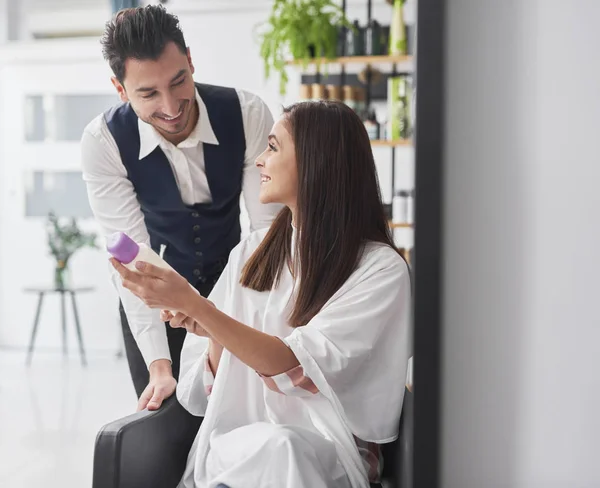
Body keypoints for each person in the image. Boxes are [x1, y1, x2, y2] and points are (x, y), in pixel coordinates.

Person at [111, 100, 411, 488]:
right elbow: (208, 390)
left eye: (273, 147)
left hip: (328, 458)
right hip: (235, 447)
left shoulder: (380, 270)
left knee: (281, 447)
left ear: (315, 161)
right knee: (271, 447)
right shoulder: (253, 251)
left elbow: (293, 369)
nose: (260, 161)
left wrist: (198, 307)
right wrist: (208, 327)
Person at [81, 5, 281, 411]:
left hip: (235, 294)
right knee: (167, 427)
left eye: (179, 81)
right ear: (121, 90)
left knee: (243, 415)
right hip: (156, 302)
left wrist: (263, 321)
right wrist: (158, 364)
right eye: (149, 93)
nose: (171, 107)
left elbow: (266, 234)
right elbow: (131, 256)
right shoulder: (103, 142)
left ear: (190, 61)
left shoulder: (247, 114)